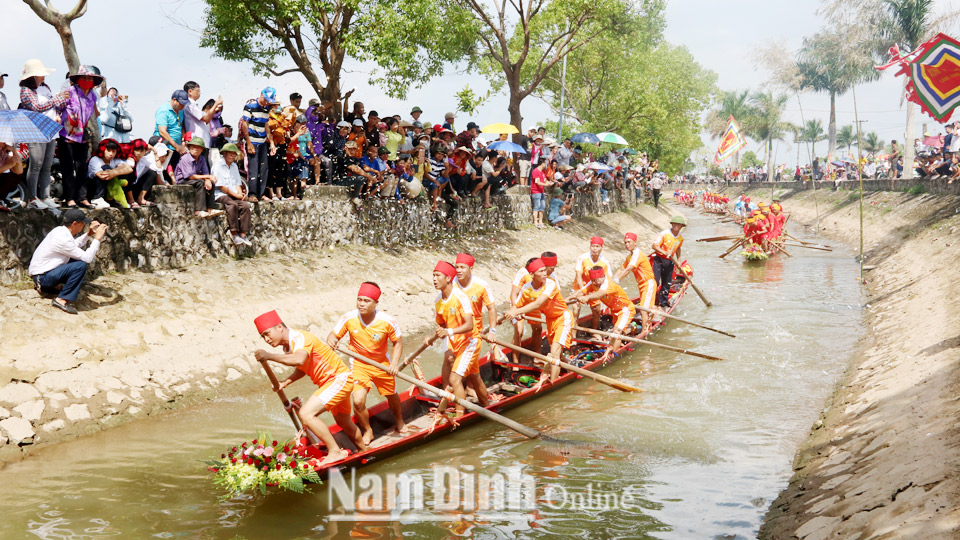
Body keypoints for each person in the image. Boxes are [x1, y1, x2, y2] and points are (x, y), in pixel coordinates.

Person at [253, 310, 368, 465]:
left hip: (338, 379)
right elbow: (303, 368)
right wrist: (285, 382)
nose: (266, 339)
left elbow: (300, 360)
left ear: (279, 327)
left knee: (306, 414)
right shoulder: (288, 347)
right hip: (334, 382)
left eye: (267, 334)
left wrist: (269, 356)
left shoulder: (299, 338)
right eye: (263, 337)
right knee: (343, 421)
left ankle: (335, 452)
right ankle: (364, 452)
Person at [327, 282, 408, 444]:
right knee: (357, 401)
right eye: (359, 300)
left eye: (366, 301)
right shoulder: (349, 318)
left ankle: (399, 419)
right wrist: (331, 341)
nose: (362, 304)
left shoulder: (387, 321)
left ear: (376, 303)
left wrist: (394, 364)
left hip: (381, 364)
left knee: (391, 394)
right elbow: (333, 336)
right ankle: (368, 430)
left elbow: (397, 342)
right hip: (359, 364)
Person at [424, 261, 487, 420]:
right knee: (474, 376)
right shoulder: (439, 300)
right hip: (455, 343)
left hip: (470, 342)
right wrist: (431, 338)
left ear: (448, 278)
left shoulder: (460, 297)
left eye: (438, 276)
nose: (434, 279)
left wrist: (448, 331)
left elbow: (469, 325)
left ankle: (459, 417)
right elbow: (442, 326)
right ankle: (487, 405)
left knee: (454, 379)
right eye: (433, 276)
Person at [503, 258, 571, 387]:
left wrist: (516, 312)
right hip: (550, 320)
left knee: (554, 353)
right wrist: (498, 321)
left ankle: (552, 384)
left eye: (545, 270)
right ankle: (569, 368)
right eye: (541, 271)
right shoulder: (527, 288)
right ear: (532, 275)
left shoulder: (550, 284)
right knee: (559, 354)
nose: (545, 273)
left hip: (563, 318)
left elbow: (538, 303)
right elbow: (516, 306)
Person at [28, 208, 107, 314]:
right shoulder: (62, 238)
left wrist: (89, 234)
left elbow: (73, 245)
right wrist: (97, 239)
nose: (84, 225)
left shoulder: (60, 230)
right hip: (42, 279)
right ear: (75, 223)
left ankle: (55, 287)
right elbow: (87, 258)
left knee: (75, 259)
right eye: (83, 223)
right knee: (80, 265)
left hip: (42, 275)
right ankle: (61, 300)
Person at [18, 60, 67, 209]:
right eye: (40, 74)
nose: (44, 76)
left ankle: (45, 197)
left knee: (47, 165)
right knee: (36, 165)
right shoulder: (26, 90)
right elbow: (36, 107)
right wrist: (56, 99)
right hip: (36, 129)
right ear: (33, 76)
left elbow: (53, 106)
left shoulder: (45, 87)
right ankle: (32, 198)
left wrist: (62, 101)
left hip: (50, 128)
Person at [58, 65, 103, 209]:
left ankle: (82, 198)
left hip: (82, 135)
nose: (87, 80)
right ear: (78, 79)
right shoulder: (70, 92)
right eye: (84, 77)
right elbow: (58, 108)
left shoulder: (93, 96)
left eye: (90, 78)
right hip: (67, 134)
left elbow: (96, 114)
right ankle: (70, 198)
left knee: (82, 167)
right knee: (68, 168)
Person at [569, 265, 636, 356]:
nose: (594, 283)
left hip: (625, 310)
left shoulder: (608, 285)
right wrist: (567, 299)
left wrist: (587, 297)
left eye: (596, 280)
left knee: (616, 333)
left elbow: (599, 294)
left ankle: (612, 356)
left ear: (603, 277)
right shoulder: (593, 283)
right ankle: (617, 345)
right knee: (617, 332)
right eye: (592, 280)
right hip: (615, 311)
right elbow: (581, 291)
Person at [239, 87, 278, 201]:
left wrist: (271, 143)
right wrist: (249, 143)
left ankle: (261, 194)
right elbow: (244, 125)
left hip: (262, 143)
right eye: (265, 99)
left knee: (264, 169)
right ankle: (252, 194)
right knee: (253, 169)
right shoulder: (250, 106)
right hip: (252, 141)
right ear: (261, 94)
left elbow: (266, 126)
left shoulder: (266, 109)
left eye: (268, 100)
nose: (266, 102)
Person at [613, 232, 656, 332]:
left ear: (635, 243)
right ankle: (651, 314)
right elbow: (621, 269)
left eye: (629, 242)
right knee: (645, 308)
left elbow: (628, 269)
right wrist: (611, 280)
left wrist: (618, 280)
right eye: (625, 242)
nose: (627, 244)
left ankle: (644, 333)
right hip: (641, 284)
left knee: (643, 310)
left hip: (648, 283)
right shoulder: (629, 257)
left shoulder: (638, 254)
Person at [211, 142, 252, 245]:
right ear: (224, 153)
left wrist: (240, 194)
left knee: (245, 206)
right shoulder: (218, 166)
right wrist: (236, 195)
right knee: (232, 204)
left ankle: (243, 233)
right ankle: (233, 233)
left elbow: (237, 183)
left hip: (233, 194)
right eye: (230, 153)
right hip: (220, 194)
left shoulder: (234, 166)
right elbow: (221, 187)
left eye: (234, 154)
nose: (232, 156)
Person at [174, 137, 222, 218]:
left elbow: (205, 172)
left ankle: (210, 208)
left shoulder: (202, 159)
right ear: (189, 148)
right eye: (193, 147)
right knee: (200, 183)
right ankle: (198, 210)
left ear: (202, 150)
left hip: (196, 178)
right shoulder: (185, 158)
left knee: (211, 183)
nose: (195, 149)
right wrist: (208, 177)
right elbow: (190, 176)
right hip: (183, 180)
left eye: (198, 147)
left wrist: (208, 180)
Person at [573, 237, 613, 329]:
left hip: (594, 289)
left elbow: (608, 279)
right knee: (575, 310)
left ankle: (594, 332)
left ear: (601, 248)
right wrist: (582, 290)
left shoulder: (604, 262)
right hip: (580, 287)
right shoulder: (582, 258)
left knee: (597, 312)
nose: (594, 249)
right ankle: (573, 336)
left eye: (597, 246)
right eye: (593, 246)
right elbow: (578, 275)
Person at [651, 216, 686, 313]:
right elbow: (654, 245)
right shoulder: (664, 234)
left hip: (669, 261)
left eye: (678, 224)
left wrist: (679, 260)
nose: (675, 226)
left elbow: (678, 248)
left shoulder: (680, 237)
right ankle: (653, 303)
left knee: (667, 283)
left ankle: (662, 304)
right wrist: (664, 252)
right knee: (655, 282)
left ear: (681, 226)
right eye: (674, 224)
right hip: (659, 260)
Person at [86, 138, 133, 209]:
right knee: (106, 168)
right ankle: (97, 199)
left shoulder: (115, 160)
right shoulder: (95, 160)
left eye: (113, 151)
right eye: (108, 151)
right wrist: (112, 171)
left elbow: (129, 168)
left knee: (123, 172)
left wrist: (114, 172)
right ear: (103, 150)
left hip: (108, 188)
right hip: (93, 188)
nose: (111, 154)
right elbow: (101, 175)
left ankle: (117, 198)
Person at [154, 90, 189, 172]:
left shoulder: (181, 111)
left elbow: (181, 126)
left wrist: (183, 140)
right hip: (164, 148)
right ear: (174, 99)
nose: (182, 106)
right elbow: (162, 132)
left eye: (184, 104)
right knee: (165, 172)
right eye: (181, 104)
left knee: (176, 171)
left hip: (176, 148)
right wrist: (176, 146)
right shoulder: (163, 110)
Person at [183, 81, 221, 149]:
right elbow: (206, 118)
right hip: (197, 142)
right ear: (190, 91)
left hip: (202, 142)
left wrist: (215, 109)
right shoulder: (190, 105)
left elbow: (207, 119)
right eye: (198, 90)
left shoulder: (193, 105)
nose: (199, 93)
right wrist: (215, 104)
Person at [531, 159, 552, 228]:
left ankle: (540, 221)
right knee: (537, 206)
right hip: (536, 191)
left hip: (541, 192)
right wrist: (547, 185)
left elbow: (544, 180)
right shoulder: (535, 171)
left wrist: (549, 183)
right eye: (545, 163)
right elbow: (538, 182)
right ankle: (535, 222)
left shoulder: (543, 172)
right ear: (542, 163)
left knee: (542, 207)